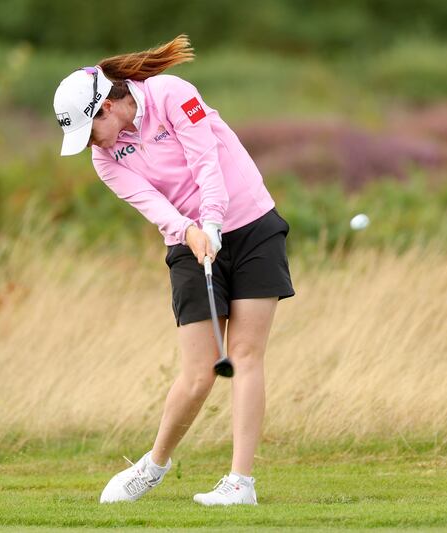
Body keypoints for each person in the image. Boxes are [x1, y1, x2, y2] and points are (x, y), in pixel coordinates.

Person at [53, 35, 295, 506]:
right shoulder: (105, 158)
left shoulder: (172, 94)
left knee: (244, 355)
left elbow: (206, 161)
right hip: (189, 242)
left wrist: (213, 220)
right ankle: (153, 466)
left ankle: (241, 484)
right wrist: (190, 232)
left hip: (252, 227)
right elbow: (153, 204)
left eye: (88, 131)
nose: (89, 145)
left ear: (106, 108)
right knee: (199, 373)